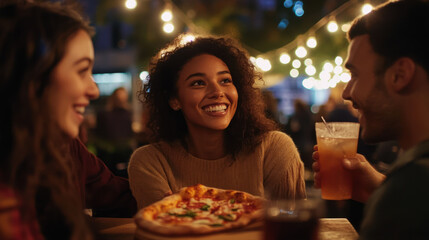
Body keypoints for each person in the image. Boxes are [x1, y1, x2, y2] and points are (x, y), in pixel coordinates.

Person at [0, 2, 136, 239]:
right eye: (82, 70)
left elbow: (117, 195)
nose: (94, 91)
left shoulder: (65, 147)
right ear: (32, 77)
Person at [128, 36, 306, 209]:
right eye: (198, 83)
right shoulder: (151, 162)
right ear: (174, 100)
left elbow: (293, 225)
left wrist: (189, 209)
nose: (217, 91)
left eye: (225, 80)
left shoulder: (273, 149)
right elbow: (163, 231)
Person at [312, 1, 429, 238]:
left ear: (400, 75)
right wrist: (380, 188)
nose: (346, 93)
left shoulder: (412, 185)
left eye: (354, 74)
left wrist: (391, 195)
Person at [94, 87, 134, 177]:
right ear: (114, 98)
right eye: (120, 97)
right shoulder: (104, 114)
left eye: (124, 97)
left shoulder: (127, 113)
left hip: (124, 152)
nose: (122, 99)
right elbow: (98, 134)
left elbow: (129, 132)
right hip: (108, 154)